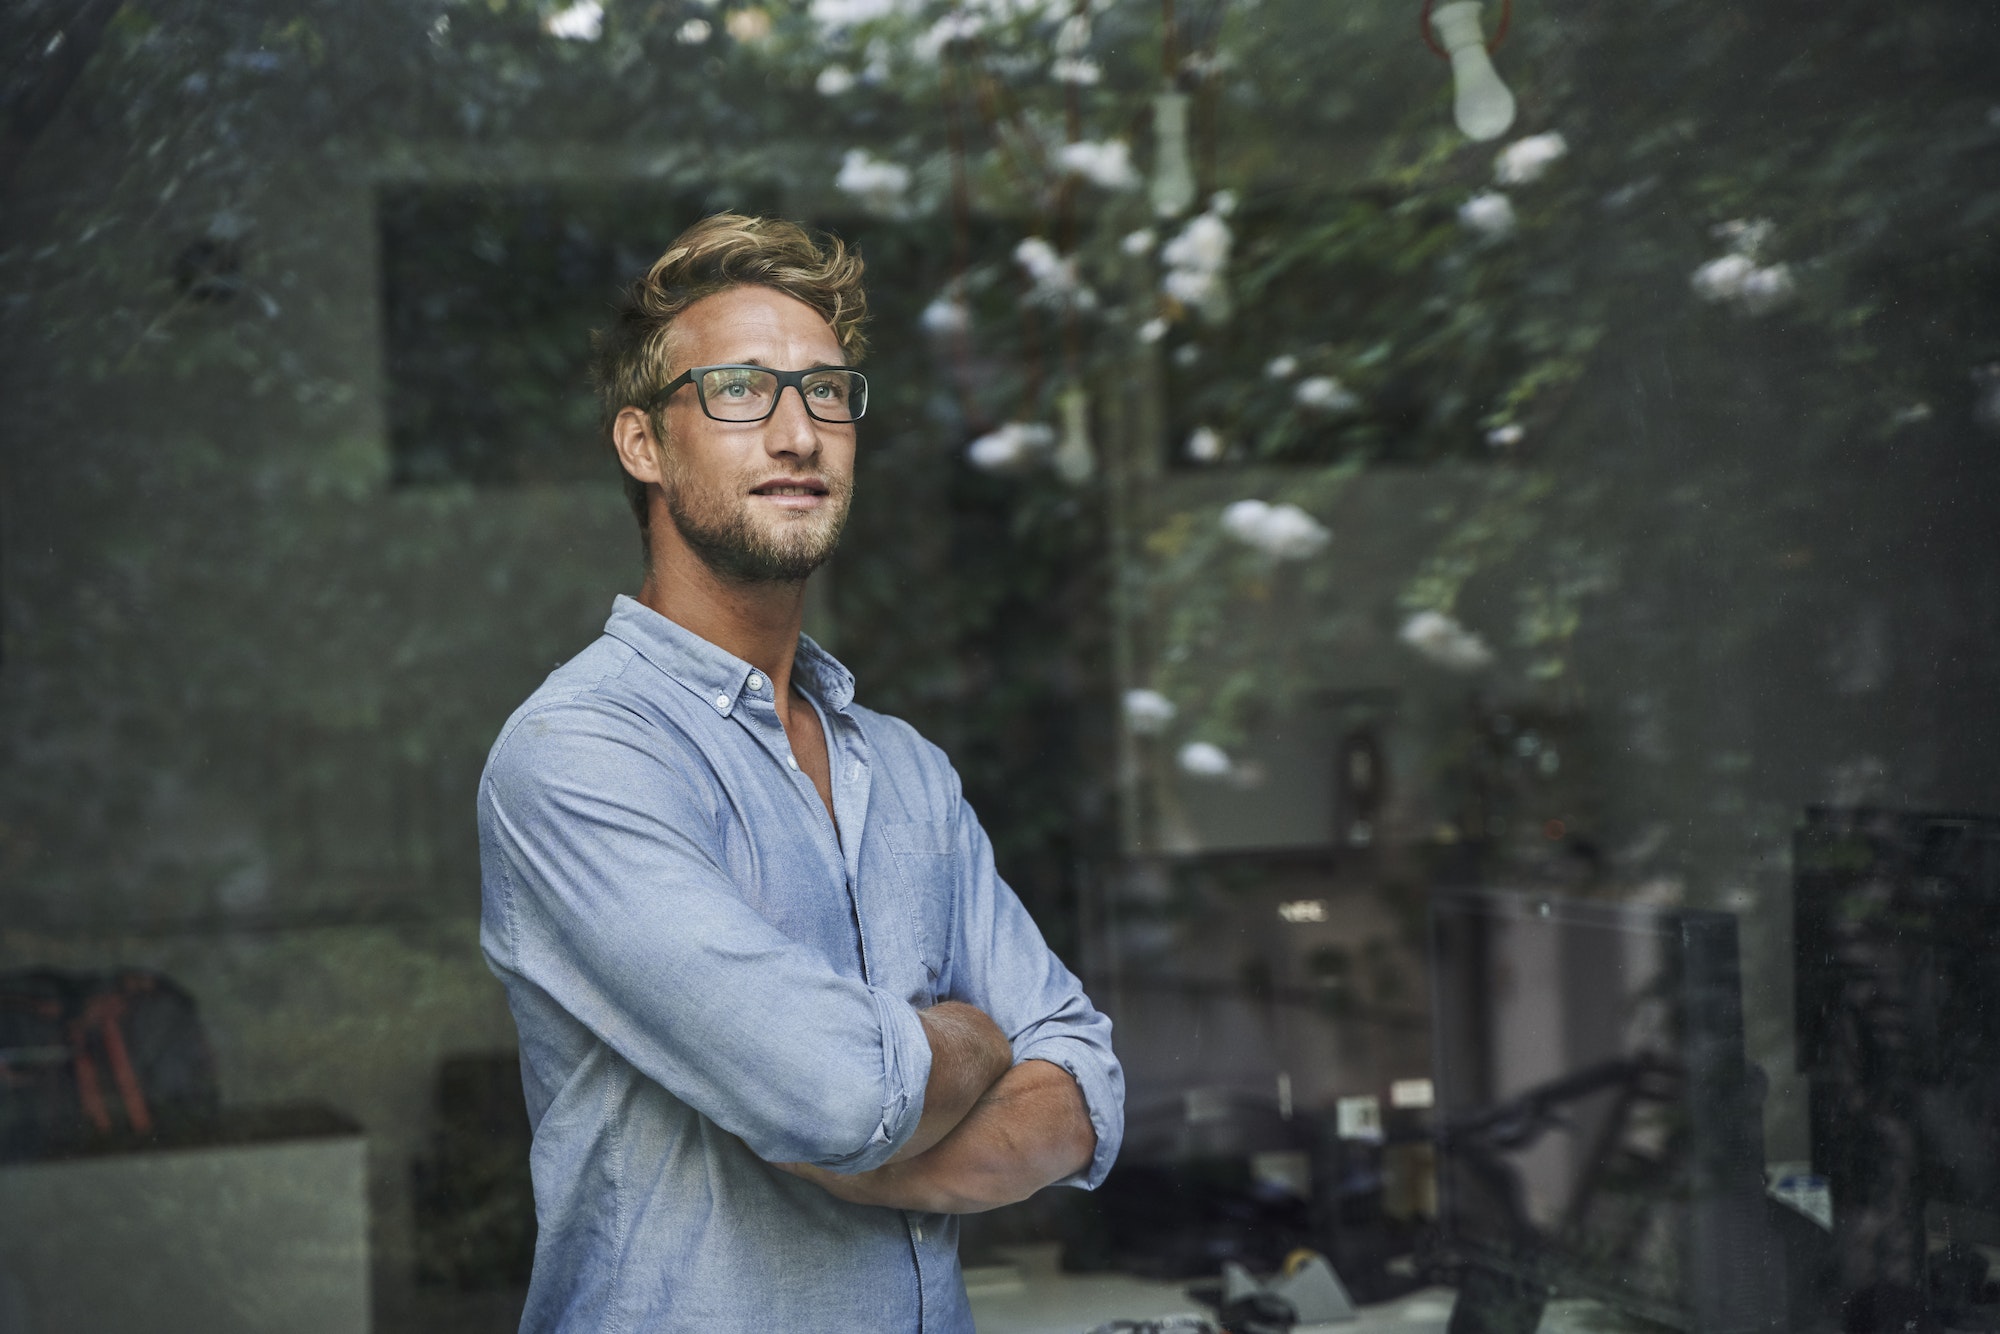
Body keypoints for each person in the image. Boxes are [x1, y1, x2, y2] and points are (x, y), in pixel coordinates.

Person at [476, 213, 1124, 1333]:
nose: (796, 433)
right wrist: (968, 1037)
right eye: (739, 391)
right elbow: (835, 1095)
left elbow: (1086, 1079)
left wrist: (888, 1149)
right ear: (643, 444)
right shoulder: (578, 754)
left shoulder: (908, 772)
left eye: (827, 393)